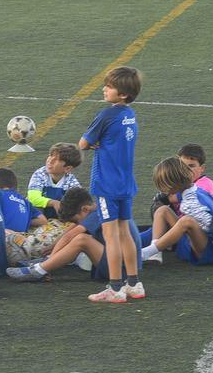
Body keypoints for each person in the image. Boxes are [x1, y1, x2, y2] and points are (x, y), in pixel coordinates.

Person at [78, 66, 143, 302]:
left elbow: (84, 143)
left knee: (111, 235)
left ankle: (115, 288)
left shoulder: (106, 115)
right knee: (125, 232)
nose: (104, 89)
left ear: (123, 94)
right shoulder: (130, 114)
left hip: (107, 183)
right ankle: (134, 283)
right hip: (126, 182)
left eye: (110, 86)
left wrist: (93, 143)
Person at [5, 186, 141, 283]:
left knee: (82, 240)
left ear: (85, 209)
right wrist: (55, 245)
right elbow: (72, 229)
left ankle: (39, 270)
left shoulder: (99, 212)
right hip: (125, 267)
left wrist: (50, 259)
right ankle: (43, 264)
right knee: (79, 236)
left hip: (121, 271)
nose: (76, 223)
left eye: (76, 219)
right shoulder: (97, 208)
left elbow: (72, 235)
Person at [141, 143, 213, 263]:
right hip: (184, 236)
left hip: (203, 242)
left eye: (191, 166)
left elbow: (175, 197)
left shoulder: (204, 183)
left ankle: (145, 251)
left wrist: (165, 195)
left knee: (186, 220)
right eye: (183, 166)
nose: (187, 170)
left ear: (202, 168)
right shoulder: (185, 189)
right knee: (162, 211)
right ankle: (153, 251)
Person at [27, 142, 83, 219]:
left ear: (67, 168)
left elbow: (79, 201)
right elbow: (33, 198)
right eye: (51, 155)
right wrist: (53, 203)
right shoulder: (40, 174)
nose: (50, 160)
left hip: (57, 216)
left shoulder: (71, 181)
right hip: (39, 213)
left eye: (57, 159)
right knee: (35, 208)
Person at [0, 168, 46, 233]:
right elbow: (43, 220)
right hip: (21, 238)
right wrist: (25, 220)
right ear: (15, 187)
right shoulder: (25, 201)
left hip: (4, 236)